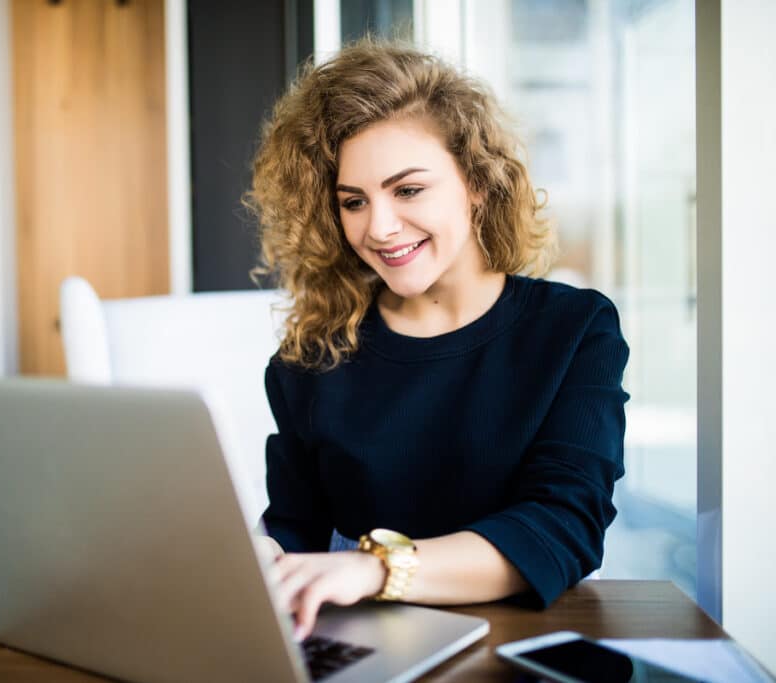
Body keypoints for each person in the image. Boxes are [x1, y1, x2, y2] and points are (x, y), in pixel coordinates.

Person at [245, 39, 629, 642]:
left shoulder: (573, 330)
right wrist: (266, 557)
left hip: (523, 644)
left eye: (407, 190)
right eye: (353, 201)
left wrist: (372, 568)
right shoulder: (309, 358)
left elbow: (564, 526)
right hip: (359, 648)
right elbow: (297, 526)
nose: (379, 227)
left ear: (477, 182)